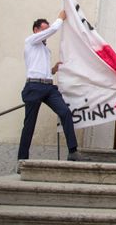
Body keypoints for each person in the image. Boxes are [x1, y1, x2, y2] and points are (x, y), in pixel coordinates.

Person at [18, 10, 90, 163]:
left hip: (49, 87)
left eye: (46, 29)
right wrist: (60, 18)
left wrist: (53, 70)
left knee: (65, 112)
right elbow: (53, 30)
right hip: (34, 87)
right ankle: (22, 159)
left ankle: (72, 151)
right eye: (43, 29)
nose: (45, 32)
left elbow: (38, 69)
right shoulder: (30, 40)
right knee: (29, 125)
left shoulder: (45, 50)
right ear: (36, 30)